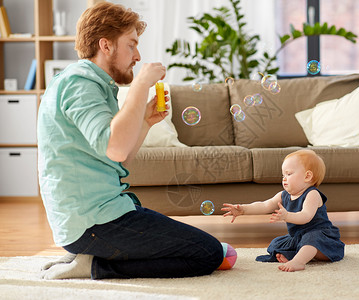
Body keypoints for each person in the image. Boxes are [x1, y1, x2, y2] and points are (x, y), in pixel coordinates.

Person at [38, 2, 223, 280]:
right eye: (132, 45)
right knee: (208, 252)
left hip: (94, 215)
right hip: (92, 221)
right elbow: (115, 146)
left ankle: (85, 252)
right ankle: (93, 264)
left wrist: (146, 123)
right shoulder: (81, 84)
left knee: (172, 233)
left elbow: (118, 158)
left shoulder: (89, 83)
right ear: (106, 45)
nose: (137, 56)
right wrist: (140, 85)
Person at [222, 149, 344, 272]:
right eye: (283, 175)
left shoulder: (312, 194)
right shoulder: (283, 195)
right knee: (276, 244)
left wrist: (287, 216)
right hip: (298, 237)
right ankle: (299, 255)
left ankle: (298, 261)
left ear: (307, 176)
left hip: (320, 236)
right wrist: (243, 209)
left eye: (289, 174)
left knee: (311, 239)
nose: (284, 179)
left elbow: (306, 216)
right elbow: (265, 205)